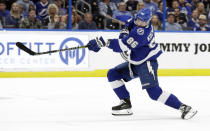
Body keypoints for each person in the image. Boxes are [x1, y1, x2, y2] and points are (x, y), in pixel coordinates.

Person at [87, 8, 197, 119]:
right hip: (137, 61)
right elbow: (128, 25)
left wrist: (103, 43)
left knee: (154, 93)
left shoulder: (142, 33)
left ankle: (184, 108)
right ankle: (125, 104)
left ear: (148, 21)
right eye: (138, 20)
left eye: (143, 22)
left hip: (147, 62)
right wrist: (125, 31)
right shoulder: (136, 20)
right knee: (113, 74)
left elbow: (122, 45)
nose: (140, 23)